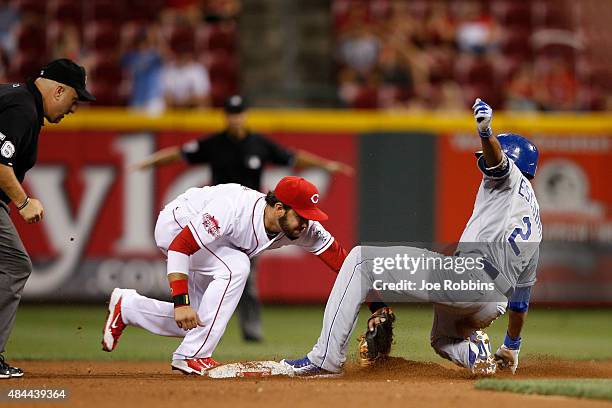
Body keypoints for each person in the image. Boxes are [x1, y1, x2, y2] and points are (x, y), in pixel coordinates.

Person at [281, 98, 542, 376]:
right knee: (443, 340)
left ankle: (325, 360)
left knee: (360, 261)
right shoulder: (535, 225)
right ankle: (475, 354)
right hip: (494, 302)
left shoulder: (509, 178)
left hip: (468, 277)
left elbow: (498, 164)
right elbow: (521, 299)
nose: (482, 166)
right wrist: (512, 345)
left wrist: (486, 132)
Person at [101, 177, 385, 375]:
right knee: (235, 267)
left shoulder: (301, 227)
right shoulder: (234, 209)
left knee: (199, 319)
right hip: (177, 226)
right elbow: (181, 247)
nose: (307, 222)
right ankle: (191, 355)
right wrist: (180, 301)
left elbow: (343, 263)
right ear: (278, 208)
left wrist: (378, 306)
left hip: (215, 244)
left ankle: (127, 307)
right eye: (302, 215)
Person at [134, 95, 353, 342]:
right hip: (218, 221)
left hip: (255, 223)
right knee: (231, 275)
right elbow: (180, 154)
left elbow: (292, 157)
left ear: (245, 115)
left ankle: (245, 332)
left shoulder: (259, 144)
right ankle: (195, 340)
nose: (235, 118)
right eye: (231, 113)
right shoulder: (215, 144)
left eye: (239, 113)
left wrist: (326, 165)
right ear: (226, 116)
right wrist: (151, 162)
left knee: (240, 278)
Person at [0, 58, 95, 379]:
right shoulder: (23, 109)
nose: (73, 108)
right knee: (14, 264)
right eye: (74, 99)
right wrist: (23, 201)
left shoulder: (15, 97)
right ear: (58, 90)